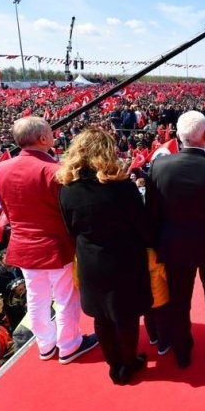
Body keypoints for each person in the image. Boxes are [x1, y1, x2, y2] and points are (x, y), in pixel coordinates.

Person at [0, 117, 97, 364]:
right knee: (65, 297)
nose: (54, 136)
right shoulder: (56, 170)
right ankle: (69, 345)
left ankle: (45, 345)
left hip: (23, 244)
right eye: (51, 132)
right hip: (55, 244)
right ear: (42, 139)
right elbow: (70, 211)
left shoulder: (0, 169)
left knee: (36, 297)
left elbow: (6, 209)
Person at [57, 128, 153, 385]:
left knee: (102, 315)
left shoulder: (67, 189)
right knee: (126, 314)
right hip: (125, 258)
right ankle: (128, 363)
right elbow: (143, 227)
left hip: (91, 260)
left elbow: (70, 228)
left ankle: (114, 365)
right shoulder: (122, 187)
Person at [146, 111, 205, 368]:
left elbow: (152, 214)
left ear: (178, 136)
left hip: (173, 247)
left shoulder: (159, 167)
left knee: (179, 301)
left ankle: (182, 351)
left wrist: (157, 245)